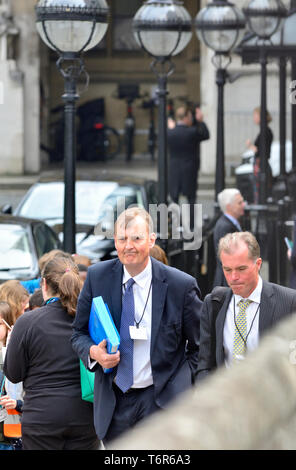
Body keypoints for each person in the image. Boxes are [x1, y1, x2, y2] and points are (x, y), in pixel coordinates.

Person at [71, 206, 202, 444]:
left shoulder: (180, 286)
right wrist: (94, 353)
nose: (128, 246)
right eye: (122, 238)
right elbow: (78, 333)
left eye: (136, 238)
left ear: (151, 240)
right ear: (115, 241)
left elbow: (199, 347)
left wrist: (180, 386)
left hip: (160, 401)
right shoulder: (97, 277)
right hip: (113, 402)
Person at [3, 256, 99, 450]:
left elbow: (13, 374)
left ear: (44, 283)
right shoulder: (91, 318)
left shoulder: (27, 322)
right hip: (85, 415)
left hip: (41, 417)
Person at [197, 231, 296, 381]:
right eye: (227, 269)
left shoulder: (288, 302)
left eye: (241, 269)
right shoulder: (214, 304)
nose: (233, 277)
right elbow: (205, 364)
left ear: (258, 264)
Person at [167, 105, 210, 225]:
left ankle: (175, 223)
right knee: (191, 198)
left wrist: (171, 128)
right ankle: (191, 224)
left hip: (174, 168)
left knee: (174, 198)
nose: (192, 119)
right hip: (189, 168)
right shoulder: (192, 131)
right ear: (185, 117)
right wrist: (201, 121)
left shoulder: (170, 132)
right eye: (190, 117)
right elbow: (206, 135)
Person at [213, 188, 245, 287]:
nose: (243, 205)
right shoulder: (225, 227)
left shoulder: (231, 223)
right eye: (239, 203)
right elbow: (228, 257)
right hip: (228, 283)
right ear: (229, 207)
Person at [246, 107, 273, 203]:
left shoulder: (265, 131)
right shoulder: (265, 130)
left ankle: (261, 211)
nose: (254, 118)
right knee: (260, 189)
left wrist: (250, 146)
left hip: (261, 163)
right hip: (261, 163)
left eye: (255, 116)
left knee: (260, 189)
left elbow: (261, 151)